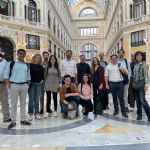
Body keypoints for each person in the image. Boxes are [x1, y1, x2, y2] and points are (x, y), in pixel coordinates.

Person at [4, 49, 31, 129]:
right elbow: (6, 74)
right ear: (17, 54)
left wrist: (27, 84)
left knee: (23, 103)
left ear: (24, 55)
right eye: (20, 54)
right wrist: (8, 84)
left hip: (24, 86)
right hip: (14, 85)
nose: (22, 55)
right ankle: (13, 121)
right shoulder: (12, 63)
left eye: (23, 54)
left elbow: (28, 75)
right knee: (14, 104)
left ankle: (23, 119)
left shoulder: (26, 65)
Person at [133, 51, 150, 121]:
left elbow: (146, 75)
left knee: (142, 100)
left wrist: (146, 85)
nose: (138, 57)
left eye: (140, 55)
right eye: (137, 55)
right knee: (138, 101)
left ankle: (149, 115)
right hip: (136, 85)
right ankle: (139, 115)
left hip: (142, 85)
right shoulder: (135, 65)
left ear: (142, 56)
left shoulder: (145, 64)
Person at [28, 54, 44, 121]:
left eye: (39, 58)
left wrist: (42, 80)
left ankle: (37, 113)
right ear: (34, 58)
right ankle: (30, 113)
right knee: (31, 99)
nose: (38, 59)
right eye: (36, 58)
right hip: (31, 84)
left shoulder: (41, 67)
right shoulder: (30, 65)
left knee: (37, 99)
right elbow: (28, 74)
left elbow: (42, 75)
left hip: (38, 84)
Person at [0, 48, 11, 122]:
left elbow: (7, 72)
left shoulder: (4, 61)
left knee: (5, 101)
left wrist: (8, 82)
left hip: (2, 84)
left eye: (0, 50)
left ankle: (6, 117)